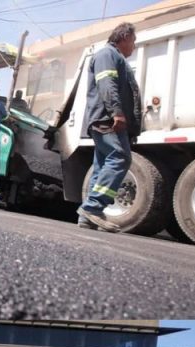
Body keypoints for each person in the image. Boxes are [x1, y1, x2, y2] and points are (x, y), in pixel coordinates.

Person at [76, 22, 142, 231]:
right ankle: (93, 208)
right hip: (107, 119)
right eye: (133, 41)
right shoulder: (107, 54)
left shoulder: (114, 57)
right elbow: (107, 85)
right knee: (120, 157)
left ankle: (88, 216)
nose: (134, 46)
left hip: (104, 118)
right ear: (123, 37)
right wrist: (117, 112)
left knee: (103, 164)